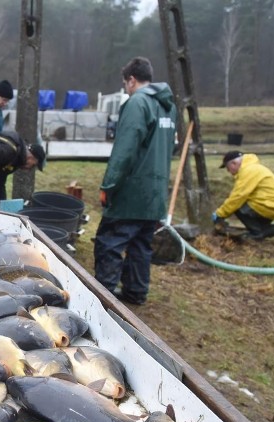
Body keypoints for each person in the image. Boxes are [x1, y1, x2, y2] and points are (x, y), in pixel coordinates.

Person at [94, 56, 176, 306]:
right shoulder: (168, 106)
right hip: (155, 194)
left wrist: (109, 186)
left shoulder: (137, 103)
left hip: (132, 192)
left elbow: (125, 149)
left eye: (125, 83)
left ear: (131, 80)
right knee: (141, 244)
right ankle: (135, 292)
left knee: (109, 243)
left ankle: (103, 298)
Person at [213, 151, 274, 239]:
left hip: (268, 206)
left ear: (234, 163)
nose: (229, 172)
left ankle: (256, 234)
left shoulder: (248, 171)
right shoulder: (254, 168)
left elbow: (238, 196)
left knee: (238, 206)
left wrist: (220, 214)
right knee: (262, 229)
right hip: (272, 205)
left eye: (228, 168)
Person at [0, 131, 45, 207]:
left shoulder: (15, 161)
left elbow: (0, 183)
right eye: (33, 165)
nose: (29, 169)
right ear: (31, 157)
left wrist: (2, 207)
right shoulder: (10, 150)